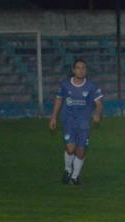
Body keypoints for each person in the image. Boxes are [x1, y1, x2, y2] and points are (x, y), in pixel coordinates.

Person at [49, 58, 103, 186]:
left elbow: (99, 104)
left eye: (83, 68)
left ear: (86, 70)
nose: (81, 70)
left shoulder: (91, 86)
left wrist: (96, 113)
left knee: (81, 151)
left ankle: (75, 177)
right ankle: (68, 170)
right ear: (73, 70)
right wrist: (53, 117)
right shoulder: (65, 85)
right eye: (78, 68)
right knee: (70, 148)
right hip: (68, 120)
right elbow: (58, 99)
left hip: (83, 123)